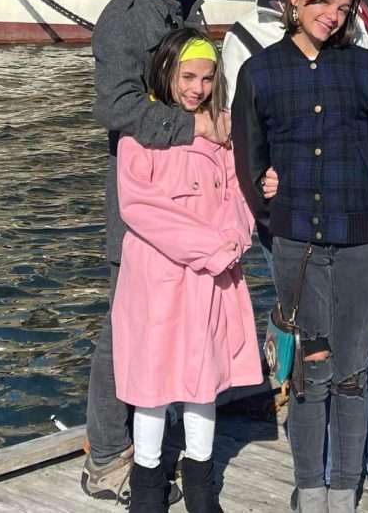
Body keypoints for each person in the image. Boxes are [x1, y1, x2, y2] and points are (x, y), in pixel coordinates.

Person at [222, 0, 368, 511]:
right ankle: (311, 483)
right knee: (311, 366)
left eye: (340, 6)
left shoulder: (364, 60)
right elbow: (247, 150)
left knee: (361, 364)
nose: (331, 14)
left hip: (360, 233)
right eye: (320, 1)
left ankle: (361, 478)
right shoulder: (255, 62)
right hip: (295, 237)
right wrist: (269, 208)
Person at [83, 0, 229, 504]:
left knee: (177, 321)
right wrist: (195, 127)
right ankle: (109, 459)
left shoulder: (185, 10)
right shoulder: (124, 18)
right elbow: (115, 107)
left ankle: (157, 442)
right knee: (126, 329)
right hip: (143, 198)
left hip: (191, 200)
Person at [112, 28, 262, 512]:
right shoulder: (143, 132)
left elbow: (238, 192)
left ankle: (200, 480)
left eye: (207, 77)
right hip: (159, 277)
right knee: (151, 383)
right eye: (188, 76)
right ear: (167, 73)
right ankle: (148, 482)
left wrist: (237, 236)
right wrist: (211, 247)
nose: (197, 87)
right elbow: (141, 208)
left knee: (205, 379)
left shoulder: (222, 129)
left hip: (213, 277)